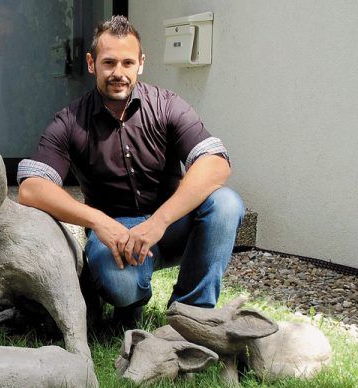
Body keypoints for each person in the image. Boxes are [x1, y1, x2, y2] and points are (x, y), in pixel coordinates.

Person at [16, 16, 244, 329]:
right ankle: (131, 303)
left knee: (226, 203)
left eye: (127, 62)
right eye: (109, 63)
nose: (118, 73)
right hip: (114, 233)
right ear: (91, 63)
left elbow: (216, 163)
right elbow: (32, 188)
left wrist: (159, 221)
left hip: (172, 222)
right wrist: (99, 222)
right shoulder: (70, 121)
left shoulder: (167, 106)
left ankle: (191, 316)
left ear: (141, 64)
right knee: (121, 287)